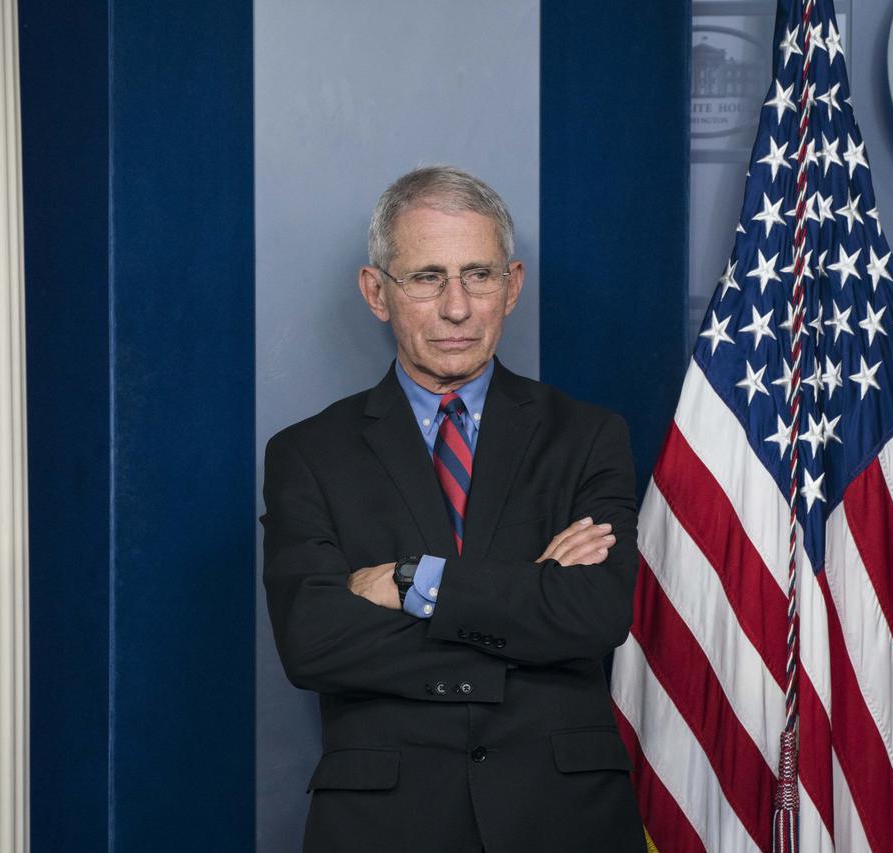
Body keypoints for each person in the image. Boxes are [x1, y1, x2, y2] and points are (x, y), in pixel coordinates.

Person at [261, 166, 645, 852]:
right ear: (377, 291)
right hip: (385, 826)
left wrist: (413, 580)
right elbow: (314, 641)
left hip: (564, 818)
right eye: (427, 277)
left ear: (513, 285)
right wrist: (525, 609)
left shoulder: (588, 437)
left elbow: (595, 614)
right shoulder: (307, 453)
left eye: (479, 275)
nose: (458, 308)